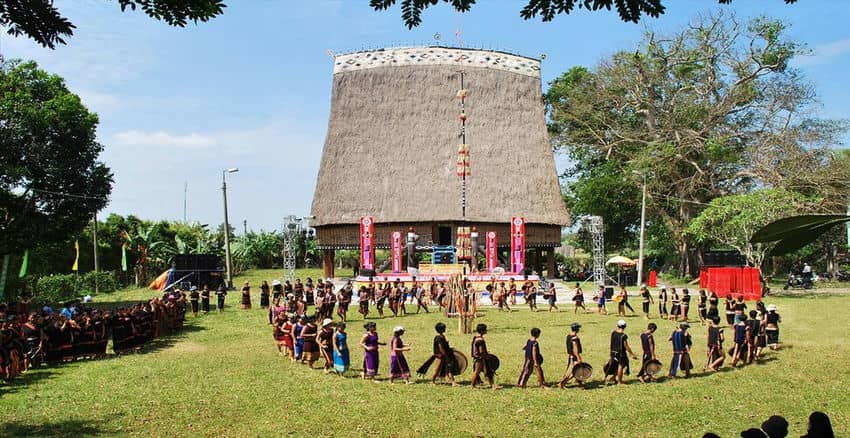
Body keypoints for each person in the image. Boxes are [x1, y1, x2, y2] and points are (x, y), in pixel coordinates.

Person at [416, 322, 459, 386]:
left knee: (449, 369)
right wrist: (445, 355)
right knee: (437, 369)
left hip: (444, 355)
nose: (445, 329)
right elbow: (441, 348)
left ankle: (453, 382)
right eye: (444, 328)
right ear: (441, 329)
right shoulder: (438, 338)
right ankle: (432, 381)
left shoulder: (442, 336)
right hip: (440, 356)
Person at [606, 320, 638, 385]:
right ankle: (620, 382)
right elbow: (626, 345)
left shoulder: (613, 333)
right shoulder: (623, 335)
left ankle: (613, 378)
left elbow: (611, 342)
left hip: (613, 352)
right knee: (621, 366)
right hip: (621, 353)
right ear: (625, 326)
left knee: (616, 365)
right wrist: (631, 353)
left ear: (617, 326)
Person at [470, 323, 500, 390]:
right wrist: (486, 356)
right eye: (485, 329)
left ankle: (493, 386)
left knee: (489, 371)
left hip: (480, 357)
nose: (486, 330)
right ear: (482, 331)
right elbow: (481, 351)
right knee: (477, 372)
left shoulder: (476, 338)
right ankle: (472, 386)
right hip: (480, 358)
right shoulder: (480, 340)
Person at [557, 322, 583, 388]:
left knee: (574, 369)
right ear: (577, 329)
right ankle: (562, 383)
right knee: (573, 371)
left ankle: (579, 382)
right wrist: (578, 358)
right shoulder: (575, 338)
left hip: (570, 355)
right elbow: (575, 349)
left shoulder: (569, 335)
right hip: (574, 357)